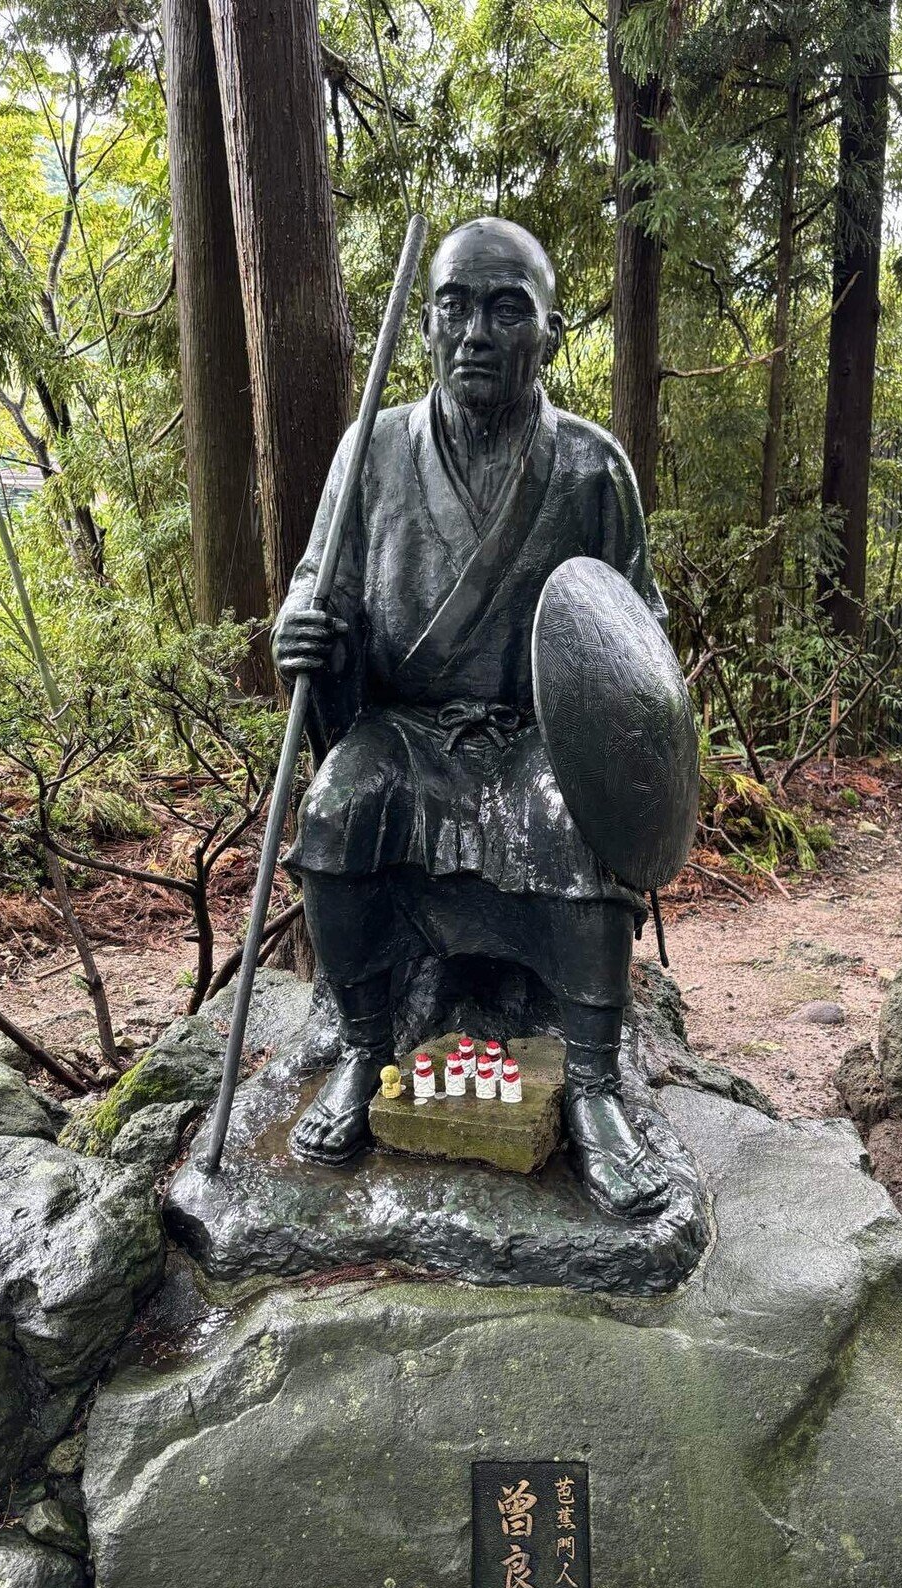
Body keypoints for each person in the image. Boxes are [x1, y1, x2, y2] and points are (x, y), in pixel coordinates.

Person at [272, 216, 671, 1217]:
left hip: (535, 740)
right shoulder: (372, 449)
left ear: (550, 329)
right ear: (426, 326)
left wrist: (618, 742)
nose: (476, 332)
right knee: (333, 809)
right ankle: (368, 1053)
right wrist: (306, 636)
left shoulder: (590, 469)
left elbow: (635, 641)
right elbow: (323, 590)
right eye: (452, 306)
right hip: (402, 734)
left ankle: (590, 1089)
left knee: (578, 825)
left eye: (506, 308)